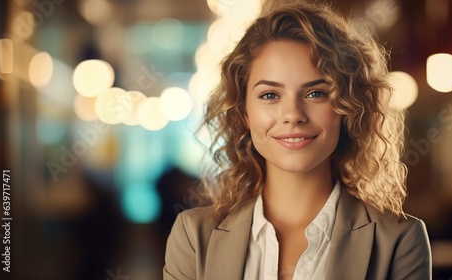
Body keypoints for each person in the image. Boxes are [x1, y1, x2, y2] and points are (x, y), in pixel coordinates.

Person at [163, 1, 432, 279]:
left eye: (315, 93)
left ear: (347, 108)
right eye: (270, 95)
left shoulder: (399, 241)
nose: (292, 115)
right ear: (244, 112)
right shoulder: (193, 238)